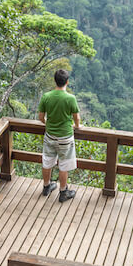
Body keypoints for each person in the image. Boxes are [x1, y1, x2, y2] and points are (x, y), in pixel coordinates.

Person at [38, 69, 81, 202]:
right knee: (64, 165)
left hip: (50, 135)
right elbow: (77, 118)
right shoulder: (70, 98)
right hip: (65, 137)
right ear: (67, 81)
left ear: (55, 81)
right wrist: (77, 126)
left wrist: (48, 124)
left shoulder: (46, 96)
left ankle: (46, 187)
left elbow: (40, 117)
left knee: (47, 161)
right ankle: (63, 192)